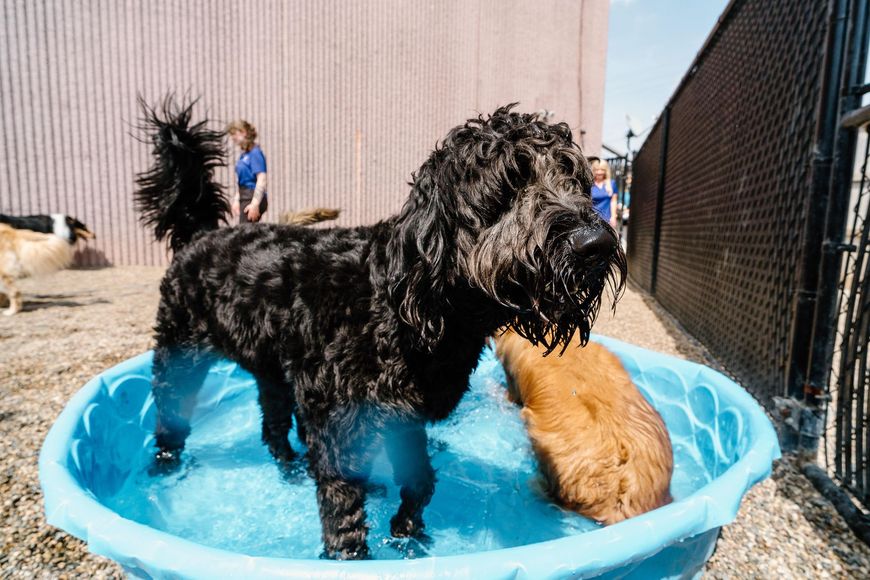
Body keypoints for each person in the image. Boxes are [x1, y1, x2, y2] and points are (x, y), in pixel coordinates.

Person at [226, 119, 268, 223]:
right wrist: (236, 199)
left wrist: (254, 204)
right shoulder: (244, 155)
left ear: (243, 132)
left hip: (252, 197)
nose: (232, 138)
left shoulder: (255, 153)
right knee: (246, 233)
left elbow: (262, 179)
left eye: (233, 134)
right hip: (244, 195)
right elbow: (241, 181)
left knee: (244, 234)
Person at [590, 159, 617, 229]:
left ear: (606, 171)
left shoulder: (612, 184)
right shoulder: (589, 185)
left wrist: (613, 217)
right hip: (592, 220)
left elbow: (613, 201)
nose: (599, 172)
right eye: (597, 170)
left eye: (602, 170)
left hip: (607, 220)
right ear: (593, 170)